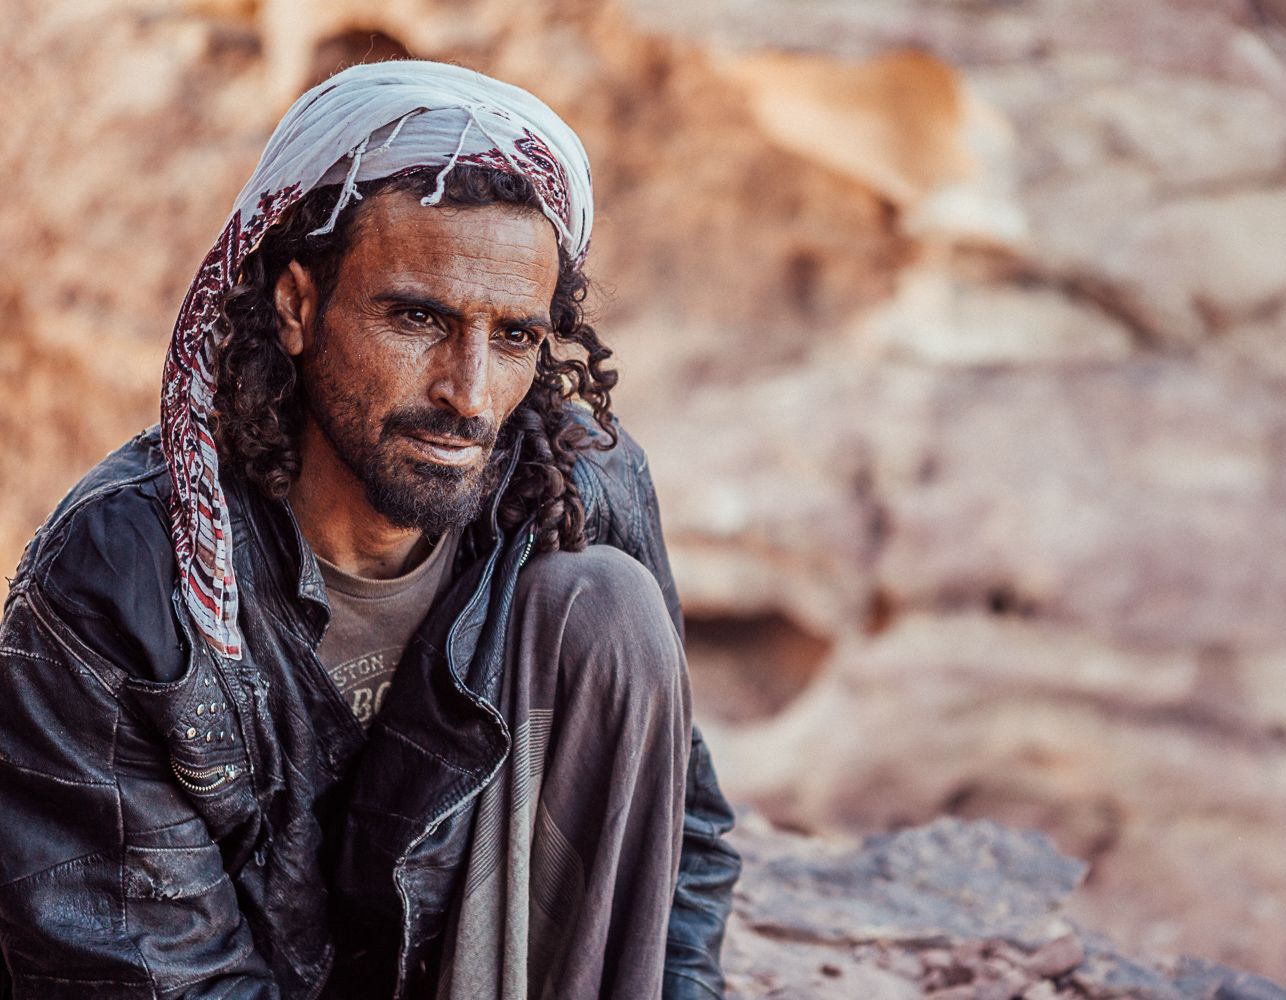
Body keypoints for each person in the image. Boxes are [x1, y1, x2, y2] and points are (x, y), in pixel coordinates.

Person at [0, 61, 739, 999]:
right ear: (298, 306)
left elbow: (684, 840)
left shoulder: (581, 481)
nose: (468, 395)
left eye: (513, 337)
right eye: (418, 318)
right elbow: (144, 973)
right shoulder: (124, 574)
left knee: (608, 611)